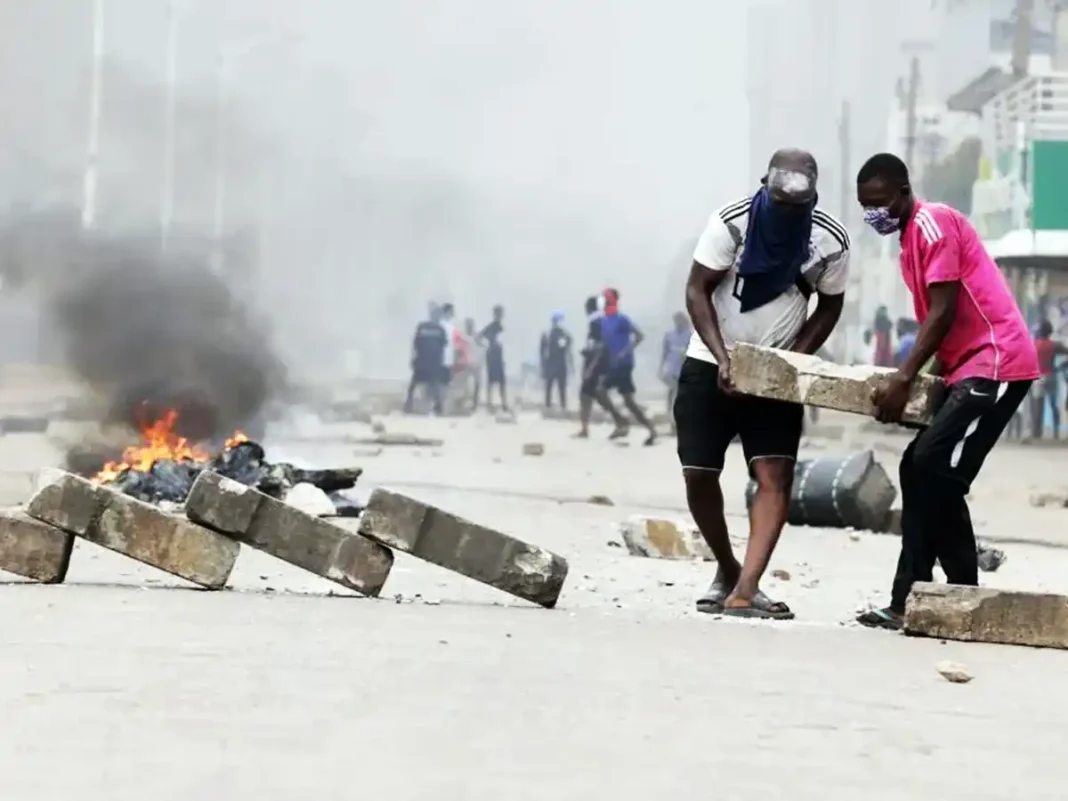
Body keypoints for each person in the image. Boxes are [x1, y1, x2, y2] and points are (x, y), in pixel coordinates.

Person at [855, 152, 1038, 630]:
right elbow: (940, 328)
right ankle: (943, 595)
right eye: (864, 206)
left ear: (902, 191)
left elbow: (942, 314)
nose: (873, 214)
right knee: (923, 469)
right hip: (969, 369)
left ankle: (923, 597)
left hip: (997, 363)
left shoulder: (932, 224)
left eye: (878, 203)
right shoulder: (909, 242)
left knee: (933, 466)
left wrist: (903, 378)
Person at [677, 148, 848, 619]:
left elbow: (830, 306)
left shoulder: (829, 241)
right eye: (781, 204)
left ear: (813, 199)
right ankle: (728, 568)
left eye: (800, 206)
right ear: (765, 190)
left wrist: (793, 360)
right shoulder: (731, 224)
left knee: (774, 475)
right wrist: (722, 356)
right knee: (698, 473)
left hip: (775, 373)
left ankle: (747, 589)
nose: (790, 213)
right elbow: (696, 289)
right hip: (709, 360)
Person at [599, 288, 658, 445]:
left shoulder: (622, 319)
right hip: (613, 364)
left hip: (624, 364)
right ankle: (649, 428)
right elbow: (606, 344)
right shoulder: (604, 321)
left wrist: (625, 352)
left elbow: (639, 336)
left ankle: (622, 421)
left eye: (605, 299)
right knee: (628, 401)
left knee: (601, 390)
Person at [575, 295, 626, 437]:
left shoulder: (595, 322)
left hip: (596, 364)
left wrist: (591, 367)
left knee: (594, 395)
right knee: (590, 395)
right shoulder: (601, 321)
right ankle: (586, 428)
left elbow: (600, 346)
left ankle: (620, 420)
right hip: (598, 362)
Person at [404, 307, 448, 415]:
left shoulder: (423, 327)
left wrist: (413, 358)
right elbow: (443, 347)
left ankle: (409, 405)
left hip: (424, 362)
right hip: (431, 362)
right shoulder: (439, 329)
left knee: (415, 385)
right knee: (432, 384)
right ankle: (437, 408)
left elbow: (415, 344)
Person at [1031, 319, 1068, 439]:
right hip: (1051, 375)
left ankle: (1037, 433)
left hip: (1037, 378)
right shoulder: (1054, 345)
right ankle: (1056, 432)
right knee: (1053, 405)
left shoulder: (1033, 344)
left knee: (1037, 406)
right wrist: (1061, 367)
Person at [660, 311, 691, 419]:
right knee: (672, 391)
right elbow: (664, 352)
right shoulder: (669, 335)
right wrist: (661, 367)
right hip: (672, 369)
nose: (678, 323)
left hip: (685, 369)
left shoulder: (690, 335)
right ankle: (670, 414)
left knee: (682, 394)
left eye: (680, 321)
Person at [540, 311, 573, 409]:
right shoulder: (560, 334)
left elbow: (566, 348)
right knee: (555, 387)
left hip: (554, 364)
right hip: (557, 364)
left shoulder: (552, 334)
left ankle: (553, 405)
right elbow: (566, 348)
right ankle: (558, 406)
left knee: (555, 387)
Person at [479, 305, 508, 412]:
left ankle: (499, 403)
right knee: (494, 380)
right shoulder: (494, 326)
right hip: (493, 355)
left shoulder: (497, 326)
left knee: (499, 380)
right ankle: (494, 403)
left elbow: (479, 337)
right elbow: (479, 337)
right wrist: (487, 345)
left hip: (496, 355)